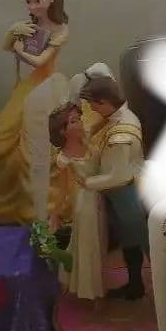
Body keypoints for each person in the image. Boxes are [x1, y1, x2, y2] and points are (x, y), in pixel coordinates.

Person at [0, 0, 70, 224]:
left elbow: (39, 61)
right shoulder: (30, 26)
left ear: (51, 0)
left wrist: (17, 47)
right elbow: (5, 47)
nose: (32, 6)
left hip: (47, 88)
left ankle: (46, 210)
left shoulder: (60, 29)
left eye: (37, 1)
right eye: (28, 1)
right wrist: (12, 32)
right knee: (6, 138)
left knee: (44, 143)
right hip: (26, 87)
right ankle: (10, 208)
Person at [77, 74, 150, 300]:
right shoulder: (119, 118)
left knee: (143, 241)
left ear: (103, 102)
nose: (91, 109)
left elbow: (118, 176)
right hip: (123, 193)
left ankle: (161, 291)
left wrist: (88, 182)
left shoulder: (121, 135)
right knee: (130, 242)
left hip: (127, 194)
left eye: (93, 104)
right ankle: (136, 284)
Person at [49, 102, 104, 300]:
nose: (79, 123)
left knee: (99, 244)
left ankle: (80, 280)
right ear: (62, 131)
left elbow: (103, 119)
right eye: (73, 121)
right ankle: (92, 292)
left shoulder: (86, 137)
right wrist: (55, 215)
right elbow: (62, 190)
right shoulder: (64, 158)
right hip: (86, 204)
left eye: (78, 118)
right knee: (89, 247)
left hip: (102, 197)